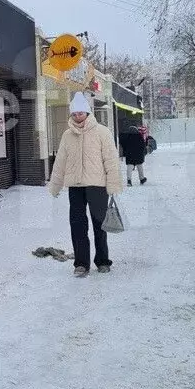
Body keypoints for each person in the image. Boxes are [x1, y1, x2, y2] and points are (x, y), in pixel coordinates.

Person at [47, 92, 123, 276]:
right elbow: (60, 162)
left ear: (88, 113)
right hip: (75, 187)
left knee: (99, 224)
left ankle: (103, 261)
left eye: (81, 113)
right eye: (75, 113)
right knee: (77, 225)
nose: (78, 116)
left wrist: (113, 185)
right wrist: (55, 185)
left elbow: (111, 160)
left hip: (97, 186)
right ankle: (81, 264)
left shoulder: (102, 132)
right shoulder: (67, 135)